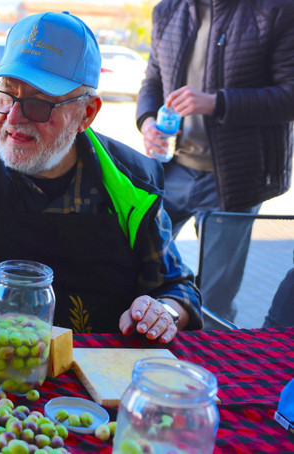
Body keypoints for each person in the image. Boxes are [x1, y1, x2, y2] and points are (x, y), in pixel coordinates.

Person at [0, 11, 202, 351]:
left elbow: (178, 289)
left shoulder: (131, 183)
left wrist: (162, 313)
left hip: (95, 381)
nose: (13, 118)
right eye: (5, 95)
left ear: (86, 113)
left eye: (38, 104)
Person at [136, 0, 294, 328]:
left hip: (234, 180)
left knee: (212, 303)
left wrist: (216, 102)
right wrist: (147, 121)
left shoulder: (277, 9)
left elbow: (289, 97)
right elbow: (152, 81)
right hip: (171, 170)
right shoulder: (167, 10)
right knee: (140, 274)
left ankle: (213, 374)